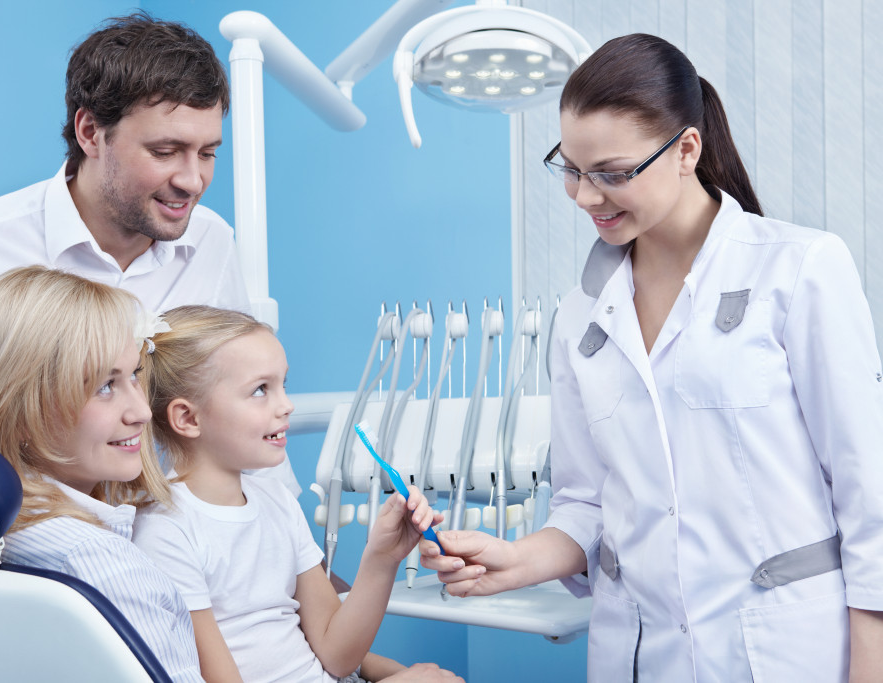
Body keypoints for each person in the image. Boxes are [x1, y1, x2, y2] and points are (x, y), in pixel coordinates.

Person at [420, 33, 883, 681]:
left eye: (611, 173)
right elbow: (586, 502)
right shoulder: (581, 315)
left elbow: (871, 503)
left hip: (783, 652)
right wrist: (517, 559)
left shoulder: (799, 270)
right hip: (639, 655)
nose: (585, 196)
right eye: (571, 169)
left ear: (686, 149)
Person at [0, 14, 297, 677]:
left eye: (208, 152)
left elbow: (236, 406)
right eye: (166, 150)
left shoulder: (210, 242)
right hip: (27, 566)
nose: (193, 179)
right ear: (91, 132)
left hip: (165, 556)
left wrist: (298, 559)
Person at [133, 306, 456, 683]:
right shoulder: (166, 532)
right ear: (188, 418)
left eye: (283, 385)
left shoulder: (276, 501)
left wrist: (382, 558)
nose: (286, 405)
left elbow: (337, 656)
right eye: (260, 390)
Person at [0, 266, 203, 681]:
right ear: (20, 410)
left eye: (134, 375)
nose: (139, 412)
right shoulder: (100, 563)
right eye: (103, 386)